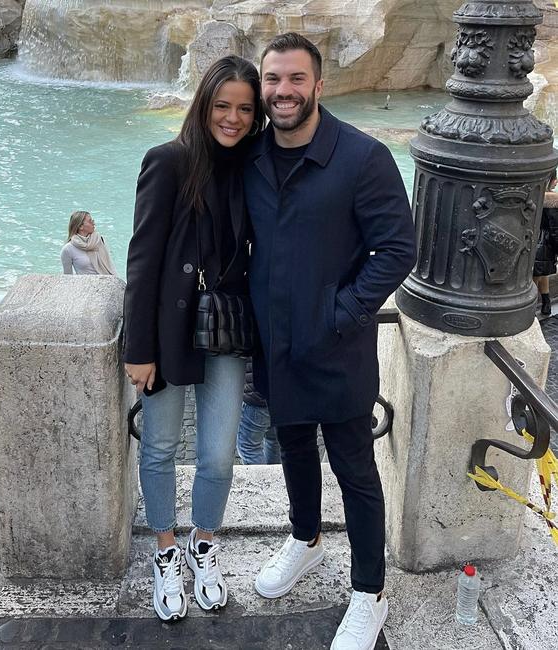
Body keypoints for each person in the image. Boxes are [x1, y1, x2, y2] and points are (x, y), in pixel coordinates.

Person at [244, 34, 416, 650]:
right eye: (272, 80)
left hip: (337, 346)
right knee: (292, 447)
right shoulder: (253, 155)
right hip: (275, 344)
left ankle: (370, 593)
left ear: (319, 85)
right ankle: (306, 539)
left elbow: (398, 248)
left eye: (295, 79)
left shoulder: (363, 157)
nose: (282, 91)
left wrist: (341, 311)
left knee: (355, 471)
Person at [123, 55, 263, 622]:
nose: (231, 118)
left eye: (243, 109)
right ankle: (164, 551)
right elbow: (142, 259)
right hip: (170, 331)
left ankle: (203, 543)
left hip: (226, 328)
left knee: (218, 453)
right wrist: (139, 350)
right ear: (203, 104)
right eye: (222, 105)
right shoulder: (168, 161)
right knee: (158, 446)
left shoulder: (253, 168)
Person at [236, 359, 280, 464]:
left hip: (256, 397)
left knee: (248, 448)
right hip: (280, 395)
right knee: (274, 441)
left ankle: (264, 480)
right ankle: (277, 477)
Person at [61, 210, 117, 275]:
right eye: (90, 221)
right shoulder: (68, 249)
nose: (94, 223)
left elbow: (111, 265)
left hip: (106, 281)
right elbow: (67, 277)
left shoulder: (99, 240)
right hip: (86, 284)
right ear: (80, 226)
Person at [533, 169, 558, 316]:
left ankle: (544, 304)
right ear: (550, 180)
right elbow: (555, 229)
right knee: (538, 275)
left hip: (533, 241)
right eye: (555, 179)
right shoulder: (553, 202)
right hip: (545, 244)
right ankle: (541, 306)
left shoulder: (533, 197)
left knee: (540, 273)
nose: (557, 182)